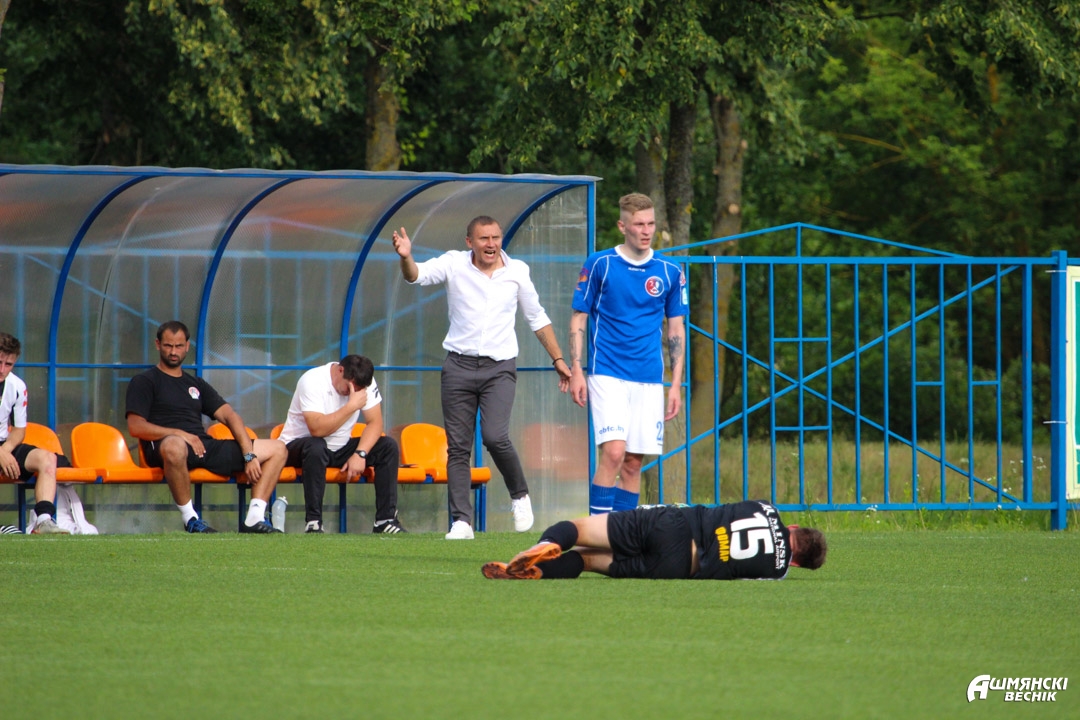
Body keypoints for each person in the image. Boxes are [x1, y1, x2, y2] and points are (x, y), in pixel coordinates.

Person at [392, 217, 572, 539]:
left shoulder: (517, 272)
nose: (491, 244)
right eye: (484, 238)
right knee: (458, 448)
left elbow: (536, 317)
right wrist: (406, 257)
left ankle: (519, 495)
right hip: (458, 367)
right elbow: (415, 275)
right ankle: (461, 522)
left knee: (494, 436)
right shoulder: (453, 264)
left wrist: (558, 358)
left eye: (496, 237)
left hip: (499, 368)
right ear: (469, 242)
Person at [569, 192, 688, 515]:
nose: (646, 231)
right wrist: (576, 370)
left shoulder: (670, 270)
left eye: (650, 223)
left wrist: (675, 385)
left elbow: (676, 330)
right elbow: (579, 317)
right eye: (638, 224)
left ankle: (621, 536)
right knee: (613, 453)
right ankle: (597, 531)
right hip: (607, 371)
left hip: (649, 376)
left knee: (634, 463)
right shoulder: (600, 263)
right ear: (623, 226)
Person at [126, 321, 288, 533]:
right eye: (168, 346)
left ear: (187, 346)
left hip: (201, 446)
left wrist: (249, 455)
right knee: (175, 445)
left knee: (278, 448)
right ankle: (190, 518)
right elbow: (135, 427)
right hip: (166, 447)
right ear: (158, 345)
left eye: (178, 346)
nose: (173, 352)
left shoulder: (195, 384)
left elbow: (230, 416)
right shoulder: (144, 381)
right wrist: (179, 433)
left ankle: (254, 518)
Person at [481, 500, 826, 581]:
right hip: (678, 566)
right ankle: (534, 573)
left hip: (674, 525)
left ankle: (542, 546)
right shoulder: (778, 570)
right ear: (797, 563)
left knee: (578, 528)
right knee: (586, 560)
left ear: (794, 526)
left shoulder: (767, 508)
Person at [277, 355, 406, 534]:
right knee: (316, 446)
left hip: (339, 448)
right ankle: (314, 522)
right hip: (297, 447)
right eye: (350, 387)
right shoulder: (312, 380)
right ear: (340, 371)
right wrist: (351, 406)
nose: (353, 392)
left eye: (359, 390)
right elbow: (317, 429)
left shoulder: (365, 383)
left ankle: (385, 520)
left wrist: (360, 453)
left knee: (388, 446)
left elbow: (375, 423)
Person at [0, 332, 68, 534]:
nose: (2, 370)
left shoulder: (17, 386)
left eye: (8, 364)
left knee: (47, 458)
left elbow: (19, 430)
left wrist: (5, 450)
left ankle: (44, 521)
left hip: (4, 444)